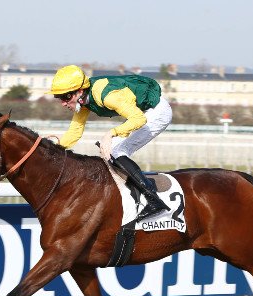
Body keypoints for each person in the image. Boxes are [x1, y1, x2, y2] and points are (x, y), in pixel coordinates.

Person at [47, 65, 172, 221]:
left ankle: (153, 200)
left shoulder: (107, 96)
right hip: (144, 113)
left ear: (80, 91)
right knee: (109, 150)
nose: (63, 103)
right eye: (59, 98)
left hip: (157, 112)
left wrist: (110, 134)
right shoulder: (83, 101)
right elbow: (74, 132)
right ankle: (131, 195)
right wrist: (51, 145)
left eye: (66, 97)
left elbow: (138, 119)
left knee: (115, 150)